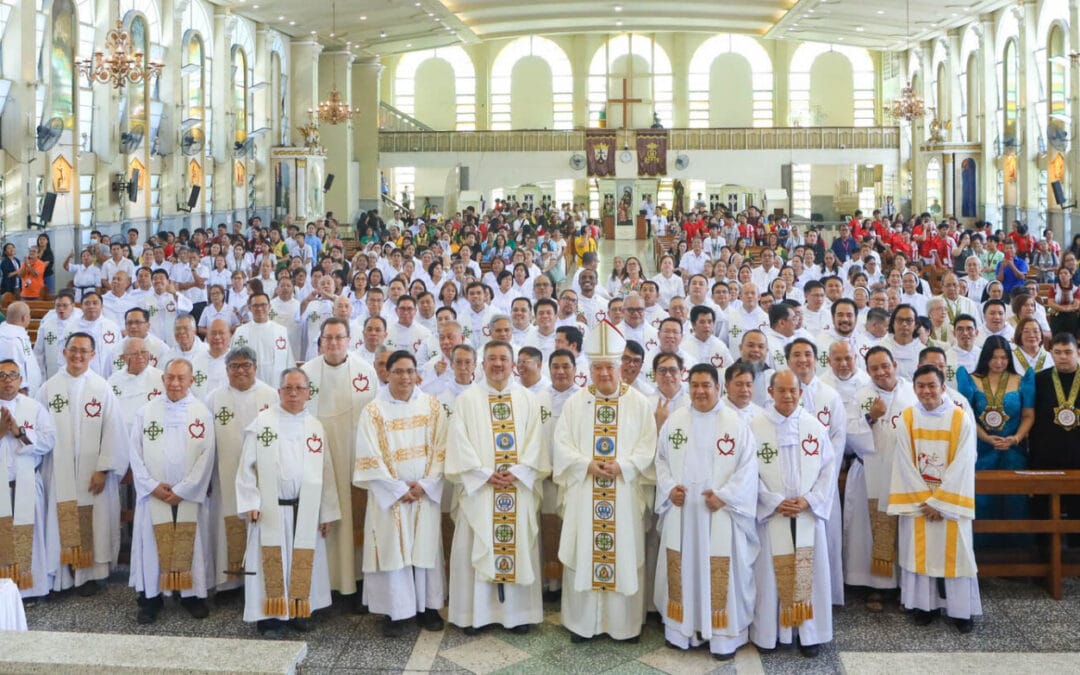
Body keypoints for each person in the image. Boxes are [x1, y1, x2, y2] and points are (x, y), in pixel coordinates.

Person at [552, 321, 657, 643]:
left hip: (623, 493)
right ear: (590, 369)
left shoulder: (638, 403)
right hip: (586, 491)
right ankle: (583, 625)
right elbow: (562, 444)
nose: (604, 374)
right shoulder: (576, 403)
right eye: (597, 368)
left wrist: (623, 466)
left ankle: (623, 626)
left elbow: (647, 446)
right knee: (586, 550)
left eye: (609, 367)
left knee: (623, 553)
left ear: (620, 368)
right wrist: (587, 465)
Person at [654, 363, 757, 660]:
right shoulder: (675, 421)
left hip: (720, 515)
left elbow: (748, 468)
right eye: (695, 385)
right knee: (683, 567)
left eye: (706, 385)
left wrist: (725, 497)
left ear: (718, 388)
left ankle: (723, 638)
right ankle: (680, 630)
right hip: (683, 515)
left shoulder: (735, 424)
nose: (700, 391)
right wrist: (669, 488)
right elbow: (660, 460)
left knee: (720, 571)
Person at [446, 340, 545, 634]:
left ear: (513, 364)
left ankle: (516, 616)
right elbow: (458, 443)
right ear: (483, 364)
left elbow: (536, 442)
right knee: (475, 546)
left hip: (517, 488)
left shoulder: (528, 399)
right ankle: (474, 616)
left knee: (517, 546)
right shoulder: (467, 400)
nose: (498, 364)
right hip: (480, 490)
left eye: (503, 358)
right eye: (492, 359)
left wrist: (516, 472)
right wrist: (483, 474)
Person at [237, 367, 340, 638]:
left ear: (308, 392)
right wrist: (250, 501)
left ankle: (297, 610)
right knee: (273, 562)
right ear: (279, 391)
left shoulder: (315, 426)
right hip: (271, 509)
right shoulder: (262, 422)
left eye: (299, 388)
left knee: (302, 561)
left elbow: (326, 471)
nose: (293, 393)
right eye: (288, 388)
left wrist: (326, 512)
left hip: (305, 508)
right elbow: (246, 467)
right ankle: (270, 618)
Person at [354, 350, 448, 636]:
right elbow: (368, 455)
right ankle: (396, 613)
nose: (405, 377)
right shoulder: (373, 411)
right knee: (392, 551)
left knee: (426, 548)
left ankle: (429, 608)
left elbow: (443, 450)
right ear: (387, 374)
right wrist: (396, 489)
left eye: (410, 371)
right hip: (391, 498)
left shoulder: (433, 407)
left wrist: (425, 485)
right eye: (398, 371)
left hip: (423, 492)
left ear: (417, 373)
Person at [888, 364, 980, 633]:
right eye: (921, 386)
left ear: (943, 387)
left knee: (958, 555)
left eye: (932, 385)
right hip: (919, 503)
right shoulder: (907, 418)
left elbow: (964, 462)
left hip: (950, 503)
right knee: (920, 555)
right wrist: (925, 501)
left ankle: (961, 611)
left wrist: (940, 502)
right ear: (914, 389)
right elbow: (903, 461)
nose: (927, 391)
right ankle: (922, 606)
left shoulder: (960, 418)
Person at [750, 370, 834, 657]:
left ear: (801, 393)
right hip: (773, 515)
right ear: (770, 392)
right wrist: (772, 501)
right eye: (781, 390)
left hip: (807, 514)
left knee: (809, 573)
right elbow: (748, 473)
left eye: (793, 391)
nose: (787, 396)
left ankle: (809, 634)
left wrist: (810, 500)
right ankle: (770, 634)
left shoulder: (814, 427)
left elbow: (827, 470)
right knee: (771, 576)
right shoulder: (755, 427)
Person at [127, 358, 216, 624]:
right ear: (163, 380)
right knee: (153, 547)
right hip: (155, 493)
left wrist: (186, 489)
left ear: (192, 381)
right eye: (170, 378)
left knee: (191, 545)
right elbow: (135, 453)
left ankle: (191, 595)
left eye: (181, 378)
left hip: (188, 495)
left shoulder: (202, 412)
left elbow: (207, 455)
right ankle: (151, 599)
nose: (175, 383)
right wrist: (152, 486)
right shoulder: (146, 412)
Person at [38, 332, 126, 595]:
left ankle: (87, 575)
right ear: (64, 352)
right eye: (73, 349)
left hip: (92, 474)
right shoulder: (48, 388)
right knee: (58, 519)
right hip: (58, 471)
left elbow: (114, 430)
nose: (77, 355)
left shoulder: (102, 388)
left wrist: (102, 468)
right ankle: (62, 576)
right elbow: (40, 431)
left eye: (84, 351)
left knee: (93, 521)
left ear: (93, 355)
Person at [302, 317, 379, 608]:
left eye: (339, 337)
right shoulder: (307, 373)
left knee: (353, 522)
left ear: (349, 340)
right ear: (320, 341)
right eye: (328, 338)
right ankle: (323, 587)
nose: (333, 343)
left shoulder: (365, 372)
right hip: (317, 459)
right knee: (324, 517)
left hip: (354, 459)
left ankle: (355, 586)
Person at [845, 346, 916, 607]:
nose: (881, 372)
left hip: (903, 475)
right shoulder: (862, 396)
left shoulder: (911, 392)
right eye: (874, 368)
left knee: (903, 530)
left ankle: (901, 585)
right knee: (867, 531)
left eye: (885, 365)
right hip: (870, 472)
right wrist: (870, 418)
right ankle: (874, 585)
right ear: (867, 371)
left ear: (895, 364)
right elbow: (850, 433)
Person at [206, 346, 277, 594]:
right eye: (234, 366)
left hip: (262, 477)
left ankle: (258, 583)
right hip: (224, 475)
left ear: (255, 367)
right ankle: (230, 584)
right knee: (226, 526)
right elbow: (205, 442)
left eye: (246, 364)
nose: (240, 370)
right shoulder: (214, 398)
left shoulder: (271, 396)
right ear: (226, 370)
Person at [956, 335, 1034, 547]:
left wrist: (1016, 438)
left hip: (1012, 450)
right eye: (994, 358)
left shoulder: (1021, 380)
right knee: (983, 499)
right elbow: (967, 415)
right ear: (985, 358)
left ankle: (1018, 553)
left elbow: (1028, 415)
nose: (999, 363)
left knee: (1015, 500)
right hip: (982, 449)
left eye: (1003, 358)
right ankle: (983, 553)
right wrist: (986, 438)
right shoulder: (971, 379)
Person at [0, 359, 56, 598]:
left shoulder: (34, 408)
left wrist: (19, 432)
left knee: (29, 537)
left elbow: (49, 440)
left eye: (13, 375)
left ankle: (29, 590)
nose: (7, 380)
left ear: (21, 380)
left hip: (26, 483)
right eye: (2, 375)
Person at [1028, 332, 1080, 526]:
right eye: (1057, 352)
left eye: (1068, 352)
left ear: (1078, 353)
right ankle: (1043, 551)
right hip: (1046, 455)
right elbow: (1030, 416)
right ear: (1051, 353)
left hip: (1077, 454)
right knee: (1044, 509)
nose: (1063, 357)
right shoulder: (1039, 380)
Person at [106, 337, 164, 436]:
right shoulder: (113, 381)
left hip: (150, 435)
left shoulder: (161, 378)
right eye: (134, 353)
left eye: (144, 352)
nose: (140, 356)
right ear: (123, 358)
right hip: (120, 435)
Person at [231, 293, 292, 387]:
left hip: (275, 384)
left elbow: (289, 362)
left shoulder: (281, 331)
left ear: (269, 306)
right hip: (249, 385)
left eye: (263, 305)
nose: (259, 309)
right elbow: (233, 361)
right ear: (249, 308)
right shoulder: (240, 332)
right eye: (255, 305)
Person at [33, 290, 82, 381]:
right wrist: (42, 377)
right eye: (58, 305)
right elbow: (38, 353)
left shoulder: (81, 323)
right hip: (52, 374)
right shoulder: (47, 324)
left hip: (76, 375)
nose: (61, 309)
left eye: (65, 305)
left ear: (73, 306)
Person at [0, 302, 43, 395]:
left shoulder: (17, 334)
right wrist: (22, 387)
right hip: (18, 394)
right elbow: (11, 367)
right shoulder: (10, 339)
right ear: (24, 318)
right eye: (29, 315)